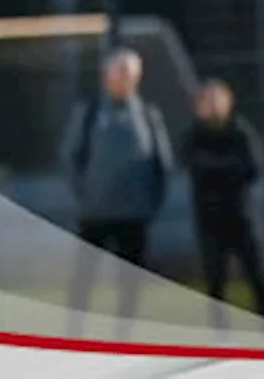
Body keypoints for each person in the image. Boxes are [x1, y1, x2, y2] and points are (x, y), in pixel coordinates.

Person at [60, 48, 174, 337]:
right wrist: (85, 194)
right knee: (83, 280)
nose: (123, 79)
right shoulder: (89, 112)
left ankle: (125, 335)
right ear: (106, 76)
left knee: (131, 281)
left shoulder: (148, 114)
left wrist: (151, 202)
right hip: (95, 214)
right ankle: (74, 333)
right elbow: (70, 157)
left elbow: (163, 162)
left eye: (129, 74)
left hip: (135, 215)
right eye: (118, 73)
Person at [185, 79, 264, 321]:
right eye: (208, 100)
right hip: (210, 219)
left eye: (217, 99)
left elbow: (253, 168)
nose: (213, 106)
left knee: (258, 276)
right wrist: (229, 169)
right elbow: (197, 168)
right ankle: (220, 337)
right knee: (215, 282)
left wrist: (217, 170)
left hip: (242, 216)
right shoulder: (194, 136)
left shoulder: (241, 132)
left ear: (229, 102)